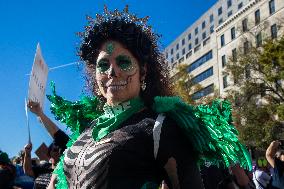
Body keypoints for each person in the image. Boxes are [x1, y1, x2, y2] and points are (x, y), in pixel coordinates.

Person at [36, 6, 252, 189]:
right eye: (103, 65)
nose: (112, 72)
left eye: (123, 62)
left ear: (144, 72)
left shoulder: (160, 127)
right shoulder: (88, 128)